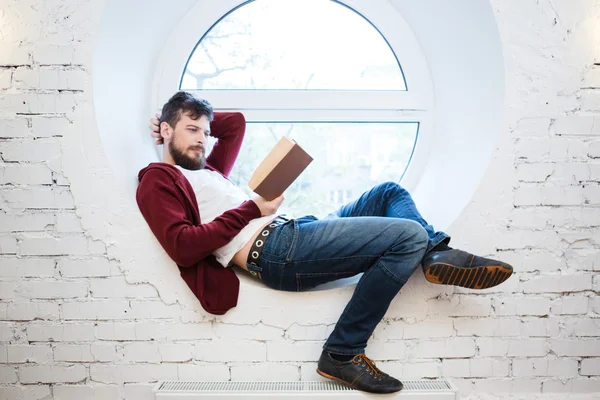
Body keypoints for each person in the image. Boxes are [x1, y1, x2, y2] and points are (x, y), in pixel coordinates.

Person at [136, 91, 513, 394]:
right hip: (275, 250)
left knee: (387, 191)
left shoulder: (208, 170)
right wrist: (251, 209)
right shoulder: (158, 179)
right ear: (167, 131)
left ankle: (436, 255)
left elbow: (234, 124)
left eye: (204, 131)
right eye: (191, 130)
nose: (203, 139)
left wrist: (185, 120)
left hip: (295, 231)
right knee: (409, 236)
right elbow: (182, 246)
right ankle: (343, 351)